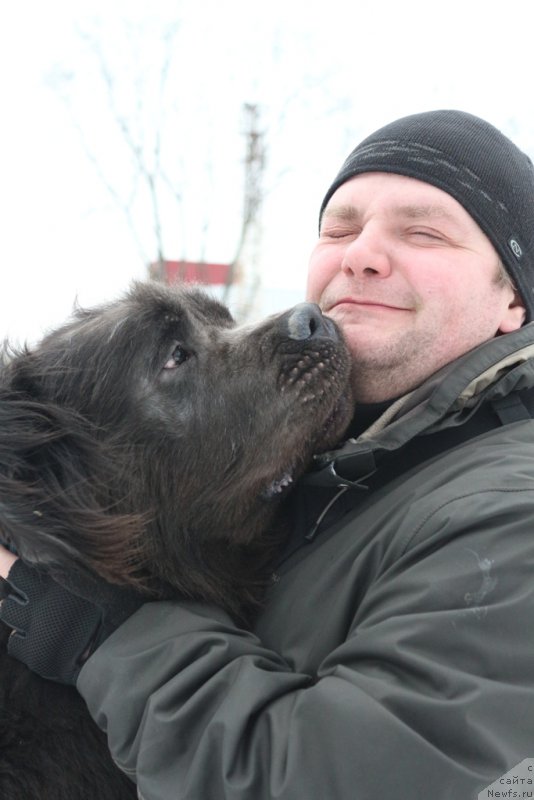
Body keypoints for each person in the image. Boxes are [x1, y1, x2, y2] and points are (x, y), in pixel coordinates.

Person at [2, 109, 534, 799]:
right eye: (340, 228)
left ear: (514, 303)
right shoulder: (361, 462)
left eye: (423, 232)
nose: (360, 253)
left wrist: (98, 634)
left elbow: (330, 781)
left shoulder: (508, 508)